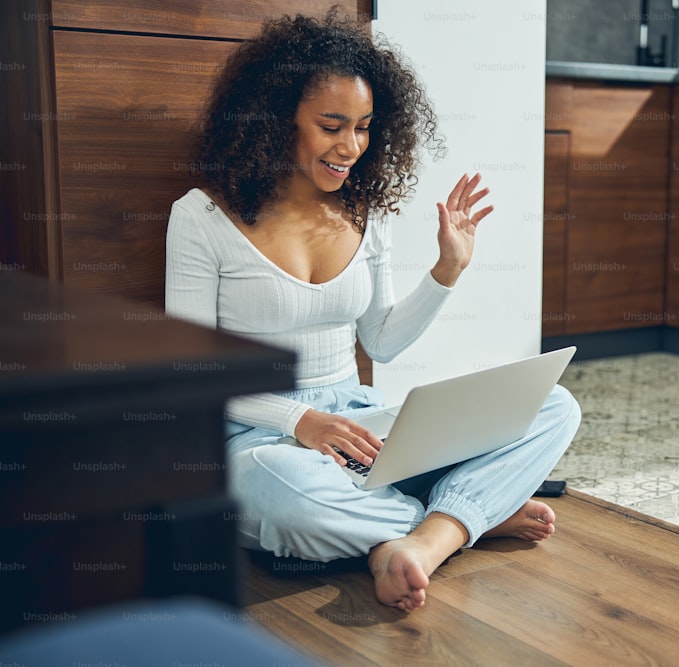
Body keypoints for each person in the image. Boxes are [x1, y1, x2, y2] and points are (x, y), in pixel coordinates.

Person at [164, 8, 581, 612]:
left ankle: (415, 542)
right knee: (289, 494)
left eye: (363, 127)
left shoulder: (364, 212)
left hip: (361, 422)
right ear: (277, 120)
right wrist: (300, 423)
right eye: (332, 125)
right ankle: (465, 518)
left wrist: (446, 271)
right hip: (258, 438)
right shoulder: (201, 217)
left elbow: (380, 343)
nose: (351, 147)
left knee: (554, 406)